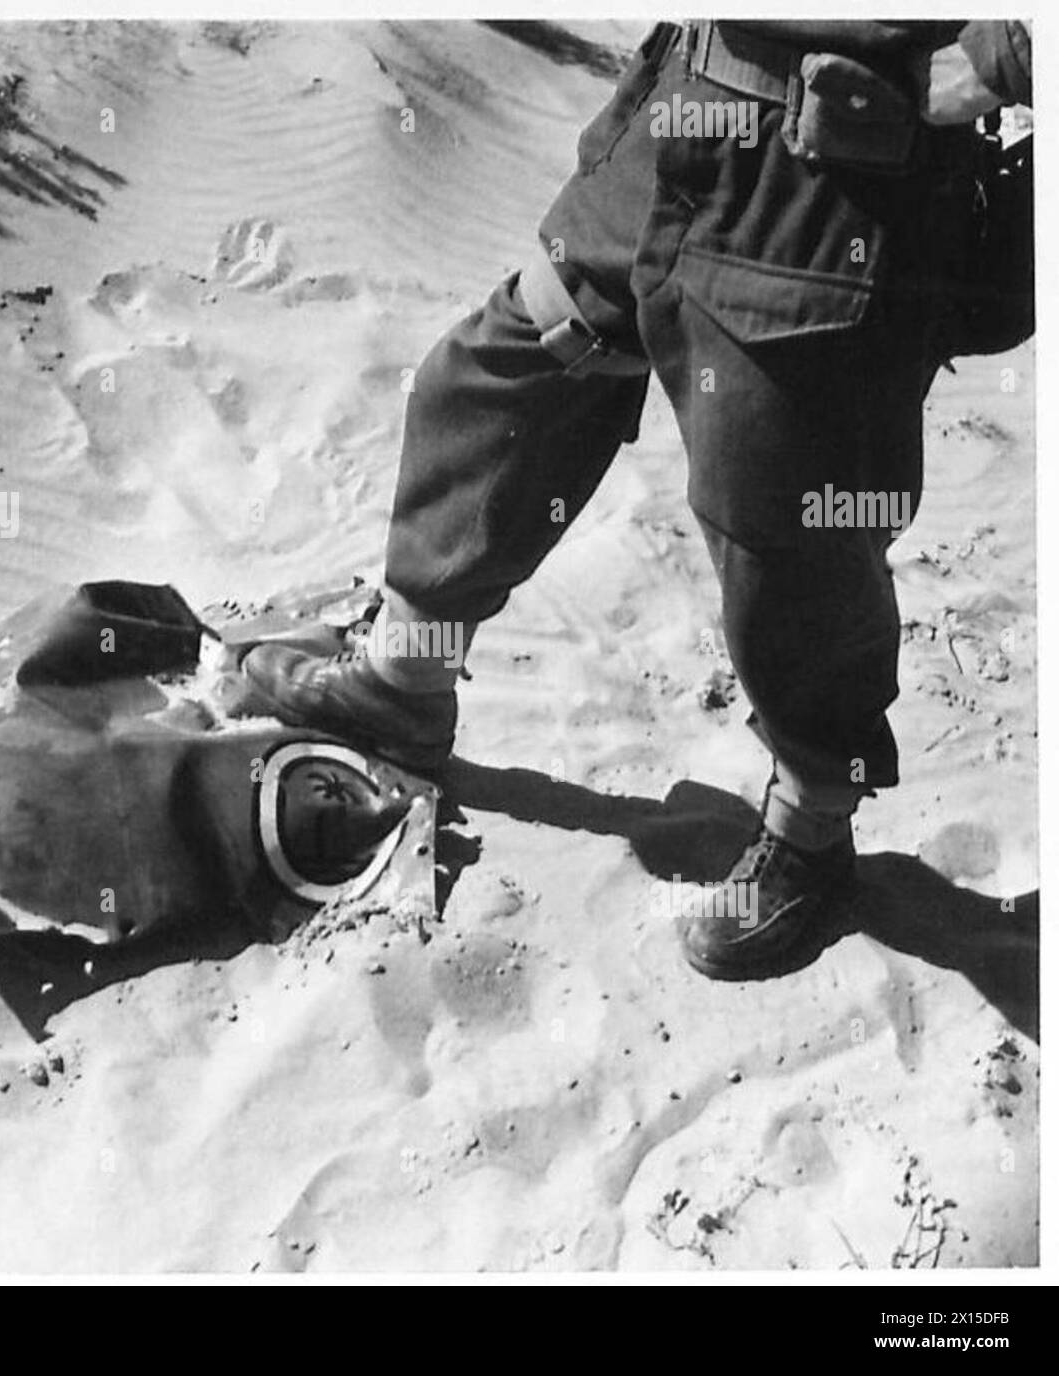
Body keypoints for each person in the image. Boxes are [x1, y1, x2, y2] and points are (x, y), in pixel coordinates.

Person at [243, 20, 1033, 980]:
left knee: (783, 514)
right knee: (510, 366)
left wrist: (1004, 55)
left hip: (838, 166)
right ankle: (405, 683)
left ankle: (813, 832)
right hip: (691, 103)